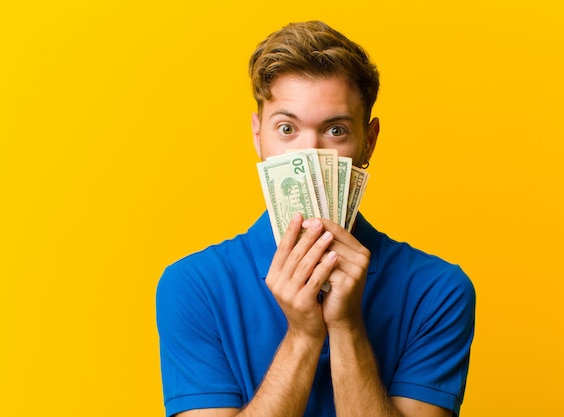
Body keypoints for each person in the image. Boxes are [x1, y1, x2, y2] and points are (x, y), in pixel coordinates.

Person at [156, 20, 476, 417]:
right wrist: (303, 335)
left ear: (369, 141)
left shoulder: (438, 291)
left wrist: (346, 327)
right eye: (287, 128)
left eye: (335, 130)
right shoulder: (193, 286)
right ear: (258, 136)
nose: (308, 154)